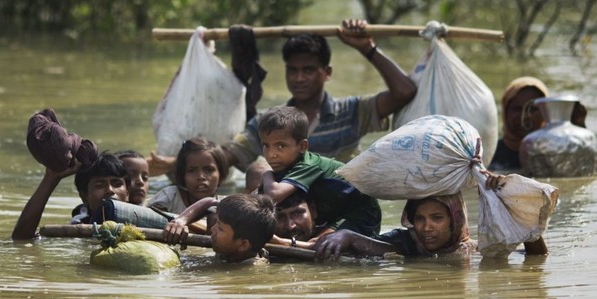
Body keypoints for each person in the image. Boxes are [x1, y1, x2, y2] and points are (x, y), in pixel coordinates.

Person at [147, 18, 417, 179]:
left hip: (334, 203)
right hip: (289, 213)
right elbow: (228, 155)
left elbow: (404, 91)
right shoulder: (268, 121)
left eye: (309, 70)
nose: (299, 78)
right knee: (257, 171)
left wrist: (367, 48)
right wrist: (180, 163)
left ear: (327, 73)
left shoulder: (353, 111)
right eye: (293, 70)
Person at [313, 173, 549, 260]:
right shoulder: (407, 243)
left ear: (455, 220)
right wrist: (347, 236)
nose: (426, 227)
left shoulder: (476, 250)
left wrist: (511, 206)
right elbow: (376, 248)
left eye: (437, 218)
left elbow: (536, 258)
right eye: (420, 219)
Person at [257, 105, 382, 241]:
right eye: (266, 146)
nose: (271, 154)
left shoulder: (308, 165)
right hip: (336, 210)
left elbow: (272, 195)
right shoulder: (288, 164)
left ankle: (283, 244)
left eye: (280, 146)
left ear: (302, 147)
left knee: (321, 244)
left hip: (362, 213)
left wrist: (266, 174)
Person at [489, 76, 597, 172]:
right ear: (505, 111)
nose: (524, 116)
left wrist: (578, 127)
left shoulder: (560, 148)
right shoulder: (491, 154)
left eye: (533, 109)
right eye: (517, 109)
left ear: (547, 110)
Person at [12, 152, 129, 240]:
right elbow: (21, 239)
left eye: (117, 184)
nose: (110, 190)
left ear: (128, 193)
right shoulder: (79, 226)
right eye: (99, 185)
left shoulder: (143, 219)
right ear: (84, 196)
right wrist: (51, 178)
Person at [162, 193, 276, 264]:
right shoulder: (230, 249)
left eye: (220, 228)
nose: (212, 229)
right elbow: (210, 202)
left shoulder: (252, 271)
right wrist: (181, 221)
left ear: (243, 245)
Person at [147, 138, 228, 215]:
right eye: (192, 171)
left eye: (209, 170)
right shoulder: (170, 197)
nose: (201, 176)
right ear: (183, 175)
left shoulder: (226, 207)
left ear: (220, 173)